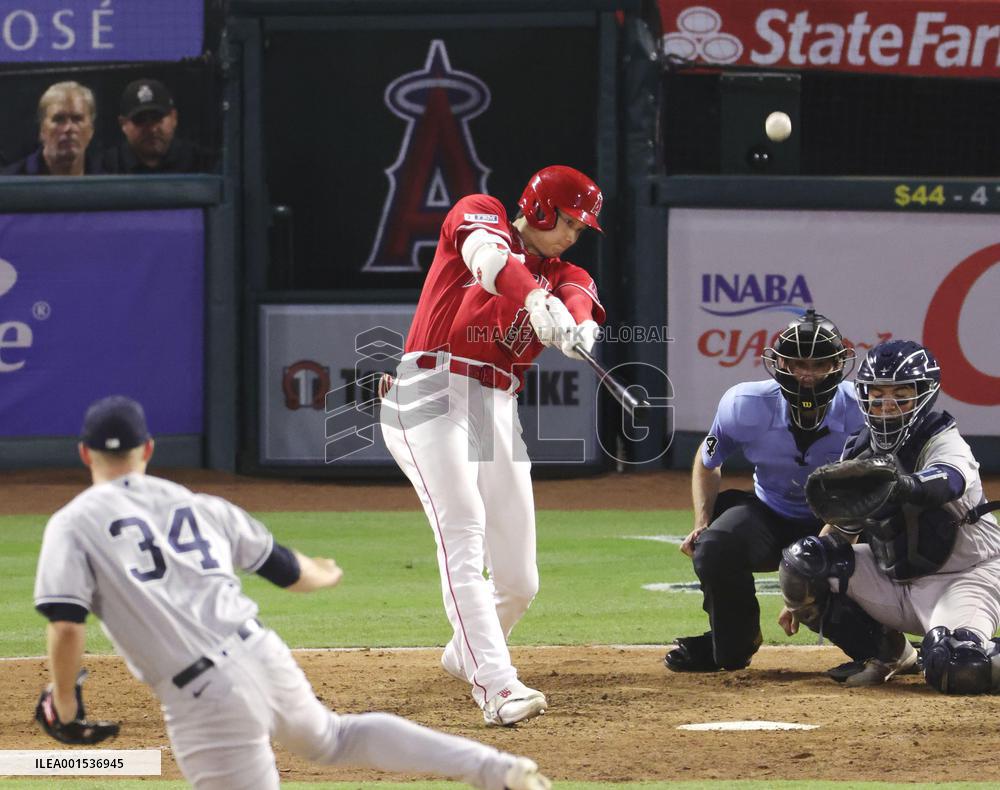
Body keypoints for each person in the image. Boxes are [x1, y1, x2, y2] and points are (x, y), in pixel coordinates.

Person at [33, 395, 552, 790]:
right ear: (148, 449)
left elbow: (65, 624)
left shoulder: (73, 522)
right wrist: (326, 571)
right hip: (264, 654)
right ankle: (492, 768)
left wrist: (65, 705)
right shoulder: (199, 504)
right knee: (334, 739)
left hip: (203, 697)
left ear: (85, 454)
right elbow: (289, 571)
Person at [379, 165, 605, 725]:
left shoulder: (567, 272)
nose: (573, 235)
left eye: (581, 228)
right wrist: (533, 300)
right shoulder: (481, 210)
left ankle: (467, 652)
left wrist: (580, 329)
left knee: (520, 579)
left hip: (497, 406)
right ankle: (497, 687)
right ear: (542, 208)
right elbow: (488, 260)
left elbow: (580, 298)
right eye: (569, 222)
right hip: (430, 389)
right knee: (463, 534)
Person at [778, 340, 1000, 692]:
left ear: (924, 396)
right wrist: (799, 593)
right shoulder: (860, 449)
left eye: (901, 395)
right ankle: (889, 654)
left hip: (964, 578)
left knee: (957, 667)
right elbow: (841, 530)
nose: (887, 406)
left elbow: (948, 481)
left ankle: (962, 649)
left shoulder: (942, 438)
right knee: (804, 561)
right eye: (877, 395)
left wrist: (902, 486)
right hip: (894, 579)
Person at [664, 309, 864, 672]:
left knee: (896, 536)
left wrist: (808, 573)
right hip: (771, 514)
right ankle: (732, 641)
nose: (807, 374)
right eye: (796, 362)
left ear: (838, 364)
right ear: (779, 363)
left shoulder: (862, 409)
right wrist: (702, 520)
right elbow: (708, 460)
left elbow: (873, 491)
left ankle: (883, 646)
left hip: (844, 522)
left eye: (819, 363)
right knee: (713, 547)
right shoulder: (744, 405)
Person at [101, 78, 212, 174]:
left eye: (157, 118)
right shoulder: (106, 167)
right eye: (140, 120)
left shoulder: (200, 164)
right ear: (123, 124)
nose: (152, 129)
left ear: (174, 117)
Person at [1, 81, 101, 175]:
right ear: (42, 130)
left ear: (91, 130)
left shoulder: (107, 182)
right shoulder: (8, 183)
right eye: (59, 119)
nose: (68, 128)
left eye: (77, 119)